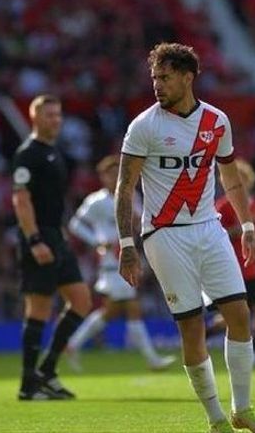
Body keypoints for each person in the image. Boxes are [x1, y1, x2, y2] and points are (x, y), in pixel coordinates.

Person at [116, 42, 255, 433]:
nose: (157, 85)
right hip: (164, 235)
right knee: (192, 327)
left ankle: (243, 410)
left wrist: (248, 226)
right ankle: (216, 418)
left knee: (240, 314)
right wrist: (126, 245)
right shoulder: (145, 126)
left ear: (188, 77)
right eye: (155, 77)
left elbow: (231, 177)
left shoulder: (217, 122)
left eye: (165, 77)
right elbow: (125, 187)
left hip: (209, 229)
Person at [11, 94, 92, 400]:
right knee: (39, 309)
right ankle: (27, 385)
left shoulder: (54, 152)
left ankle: (46, 370)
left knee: (81, 300)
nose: (55, 120)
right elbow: (21, 199)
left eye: (58, 115)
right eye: (49, 116)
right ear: (35, 118)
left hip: (57, 236)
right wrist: (34, 239)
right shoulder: (27, 154)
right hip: (38, 237)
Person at [64, 154, 176, 372]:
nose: (115, 176)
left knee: (111, 312)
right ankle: (152, 359)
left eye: (118, 172)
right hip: (110, 260)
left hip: (127, 254)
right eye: (110, 173)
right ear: (102, 176)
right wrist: (96, 240)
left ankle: (72, 344)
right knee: (132, 308)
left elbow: (140, 221)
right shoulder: (95, 201)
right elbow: (75, 224)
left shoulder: (130, 195)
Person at [206, 159, 255, 368]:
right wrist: (241, 230)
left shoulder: (253, 204)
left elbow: (251, 227)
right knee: (231, 318)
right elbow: (217, 233)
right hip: (232, 267)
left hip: (252, 267)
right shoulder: (222, 206)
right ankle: (200, 336)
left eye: (245, 179)